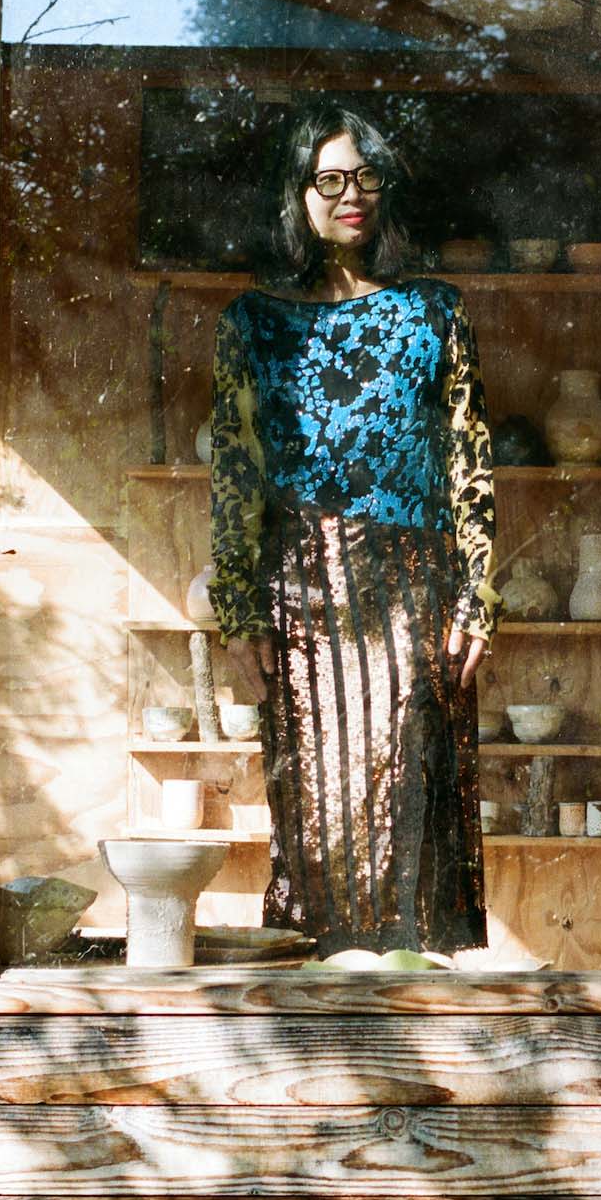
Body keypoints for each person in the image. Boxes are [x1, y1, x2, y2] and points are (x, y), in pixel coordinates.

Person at [208, 102, 501, 955]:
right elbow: (234, 477)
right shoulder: (251, 324)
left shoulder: (435, 312)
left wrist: (478, 595)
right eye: (328, 179)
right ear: (297, 194)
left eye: (366, 176)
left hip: (415, 590)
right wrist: (238, 610)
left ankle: (416, 1018)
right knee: (320, 820)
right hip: (297, 592)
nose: (351, 195)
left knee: (410, 811)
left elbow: (469, 460)